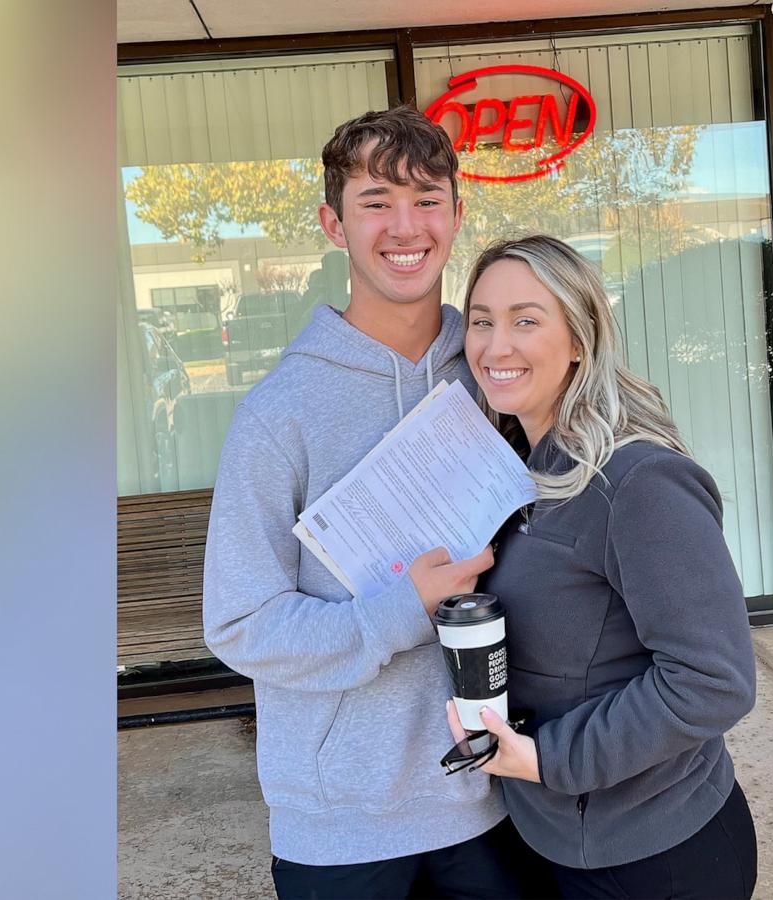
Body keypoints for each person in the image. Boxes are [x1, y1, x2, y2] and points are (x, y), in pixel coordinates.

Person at [203, 107, 534, 899]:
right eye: (376, 201)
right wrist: (400, 609)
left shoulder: (501, 375)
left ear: (458, 214)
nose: (404, 226)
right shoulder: (279, 414)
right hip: (343, 828)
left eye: (426, 198)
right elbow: (239, 623)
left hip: (498, 800)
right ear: (333, 223)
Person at [449, 235, 760, 898]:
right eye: (482, 320)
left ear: (581, 337)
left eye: (526, 320)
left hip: (657, 855)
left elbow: (714, 681)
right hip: (555, 837)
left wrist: (547, 759)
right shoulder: (515, 472)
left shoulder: (638, 481)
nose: (496, 346)